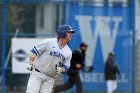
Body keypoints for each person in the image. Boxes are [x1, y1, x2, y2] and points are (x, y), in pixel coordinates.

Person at [25, 24, 75, 93]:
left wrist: (60, 70)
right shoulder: (49, 42)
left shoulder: (68, 51)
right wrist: (30, 62)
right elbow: (34, 51)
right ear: (62, 33)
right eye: (69, 32)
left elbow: (66, 67)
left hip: (50, 78)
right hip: (37, 74)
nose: (71, 34)